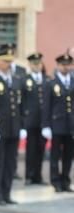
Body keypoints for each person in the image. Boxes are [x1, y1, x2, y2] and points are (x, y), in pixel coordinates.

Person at [0, 47, 26, 206]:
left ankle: (7, 193)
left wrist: (22, 125)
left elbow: (20, 105)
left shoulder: (15, 80)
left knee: (10, 163)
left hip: (13, 128)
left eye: (9, 61)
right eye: (4, 61)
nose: (7, 64)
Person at [41, 53, 74, 193]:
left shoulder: (73, 82)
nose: (65, 67)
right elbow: (46, 106)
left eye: (68, 65)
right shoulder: (51, 83)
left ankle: (66, 180)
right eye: (63, 65)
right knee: (55, 154)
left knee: (69, 154)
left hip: (71, 125)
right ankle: (55, 181)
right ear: (58, 66)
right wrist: (45, 125)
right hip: (57, 124)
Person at [22, 53, 48, 186]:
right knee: (31, 149)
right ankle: (29, 175)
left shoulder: (46, 80)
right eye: (34, 64)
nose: (37, 66)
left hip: (43, 121)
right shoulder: (24, 80)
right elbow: (21, 101)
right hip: (30, 121)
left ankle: (38, 176)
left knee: (41, 148)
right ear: (30, 65)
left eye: (39, 63)